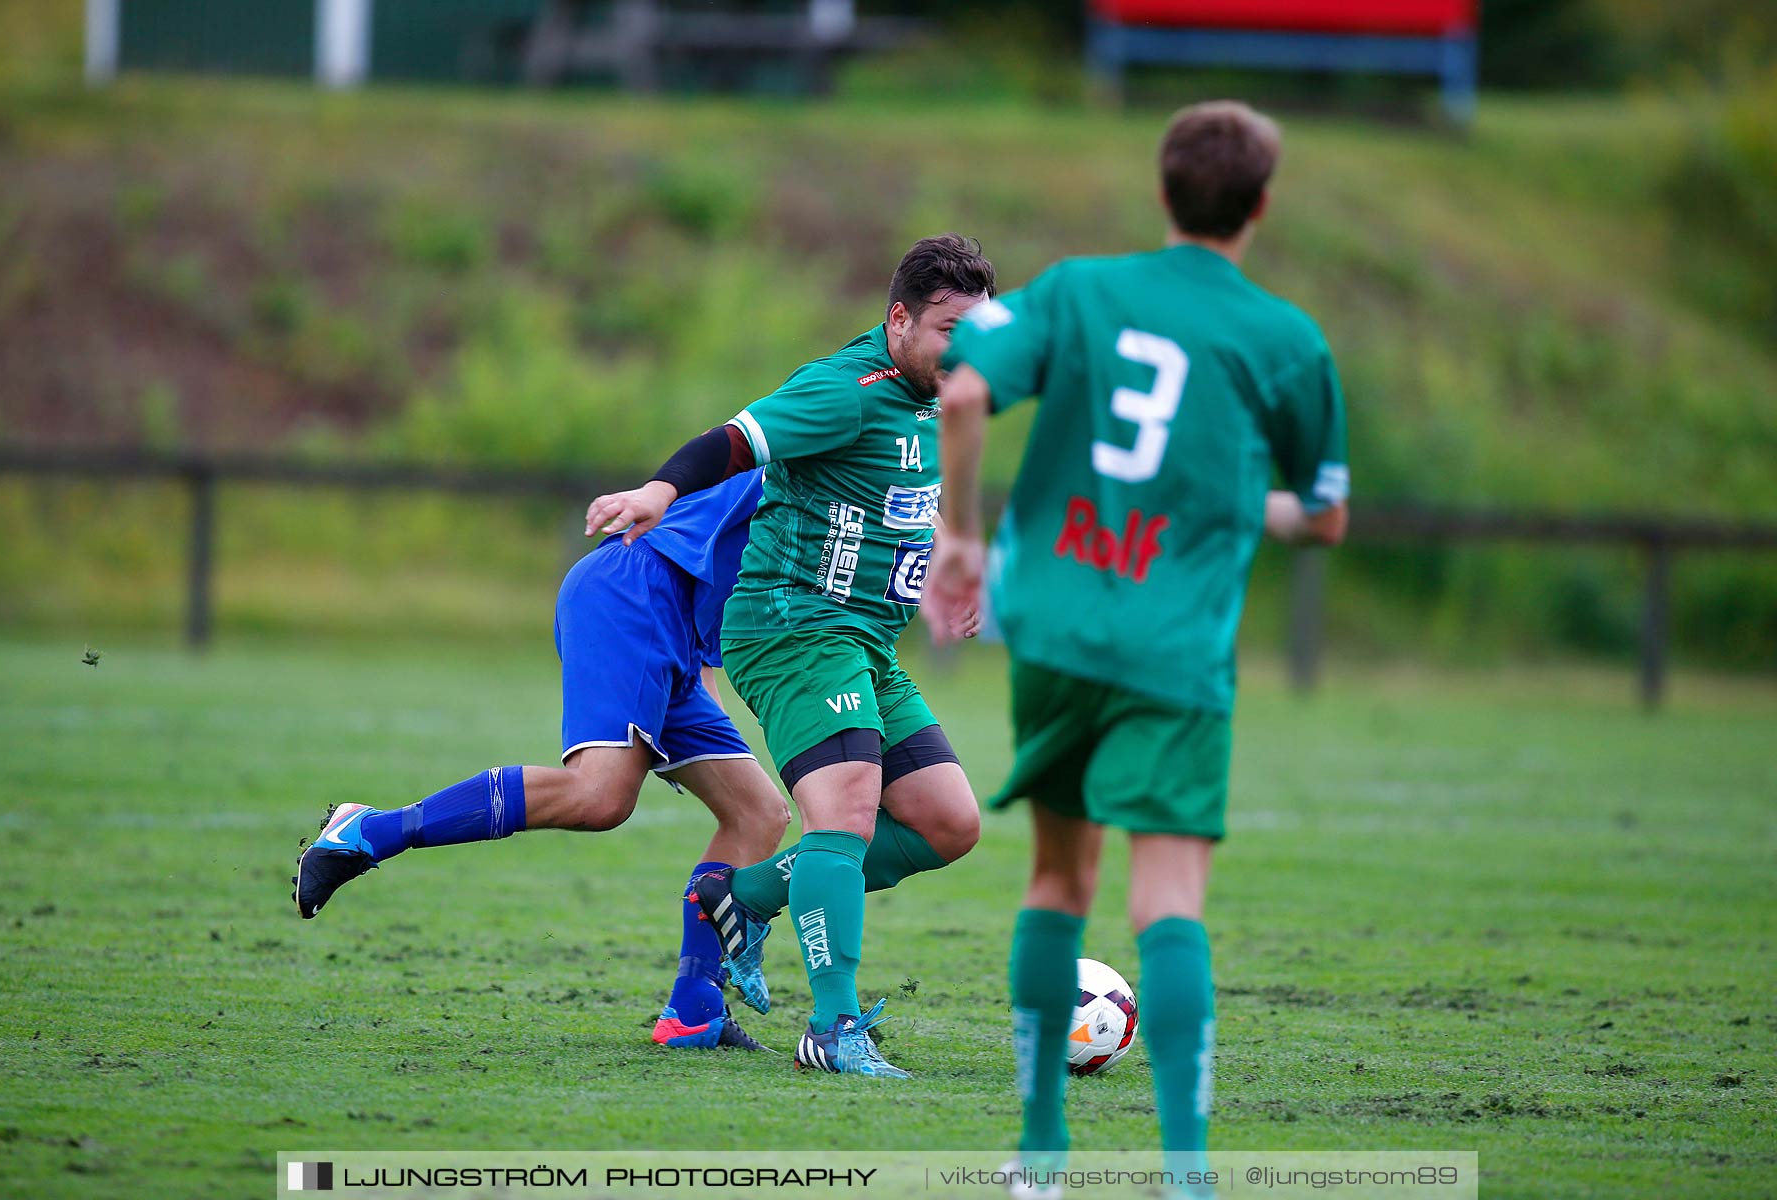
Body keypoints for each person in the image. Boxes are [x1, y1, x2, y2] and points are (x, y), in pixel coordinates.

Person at [923, 102, 1350, 1193]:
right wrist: (1250, 503)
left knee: (1059, 881)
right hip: (1175, 649)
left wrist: (962, 541)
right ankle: (1189, 1177)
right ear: (1260, 206)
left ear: (1164, 194)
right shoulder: (1290, 343)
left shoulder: (1075, 290)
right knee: (1168, 904)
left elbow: (965, 390)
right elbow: (1328, 515)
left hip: (1061, 627)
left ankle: (1040, 1154)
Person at [585, 234, 995, 1078]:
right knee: (844, 814)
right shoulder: (843, 391)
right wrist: (660, 489)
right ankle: (834, 1029)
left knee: (949, 822)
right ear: (899, 320)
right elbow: (735, 440)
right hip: (795, 628)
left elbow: (907, 491)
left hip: (864, 640)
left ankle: (743, 896)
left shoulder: (937, 395)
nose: (968, 349)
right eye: (952, 329)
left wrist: (950, 556)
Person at [292, 471, 789, 1051]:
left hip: (677, 635)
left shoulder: (856, 510)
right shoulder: (815, 445)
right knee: (600, 797)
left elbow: (714, 628)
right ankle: (371, 829)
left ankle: (694, 1009)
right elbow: (734, 440)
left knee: (759, 813)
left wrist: (713, 740)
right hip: (634, 593)